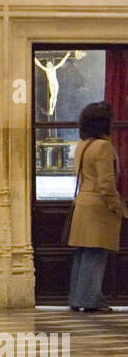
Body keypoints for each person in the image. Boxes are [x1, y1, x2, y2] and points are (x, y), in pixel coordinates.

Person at [67, 101, 127, 313]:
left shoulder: (82, 145)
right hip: (98, 207)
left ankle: (77, 297)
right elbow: (106, 183)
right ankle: (91, 299)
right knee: (96, 254)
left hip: (83, 202)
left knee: (83, 253)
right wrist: (117, 206)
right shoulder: (102, 147)